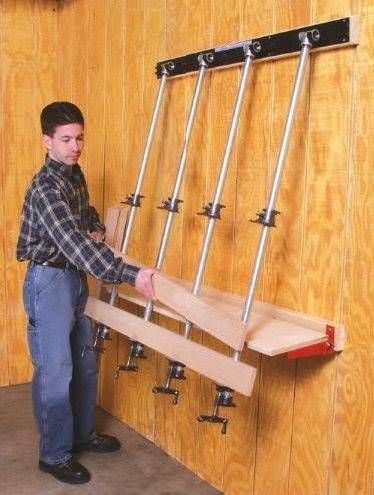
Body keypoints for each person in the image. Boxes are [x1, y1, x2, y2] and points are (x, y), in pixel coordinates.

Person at [16, 101, 155, 485]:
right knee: (56, 371)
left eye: (79, 138)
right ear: (47, 141)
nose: (75, 146)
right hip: (49, 282)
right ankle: (55, 455)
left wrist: (95, 225)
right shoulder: (45, 188)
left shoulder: (74, 174)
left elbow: (85, 216)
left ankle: (82, 434)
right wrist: (131, 274)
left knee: (85, 361)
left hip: (75, 277)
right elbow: (71, 243)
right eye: (66, 139)